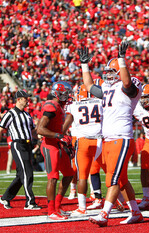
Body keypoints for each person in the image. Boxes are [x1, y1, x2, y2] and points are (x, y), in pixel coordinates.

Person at [78, 41, 143, 226]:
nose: (107, 75)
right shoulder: (107, 88)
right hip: (107, 139)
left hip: (121, 138)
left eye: (111, 72)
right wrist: (85, 65)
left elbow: (128, 83)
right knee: (121, 179)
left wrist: (122, 60)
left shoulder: (129, 86)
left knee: (113, 177)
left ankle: (104, 215)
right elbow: (89, 86)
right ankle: (136, 212)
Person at [0, 90, 41, 210]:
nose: (27, 100)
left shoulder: (27, 114)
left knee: (21, 175)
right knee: (27, 173)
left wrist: (41, 136)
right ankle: (30, 202)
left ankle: (5, 197)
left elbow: (33, 131)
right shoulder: (11, 113)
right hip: (18, 144)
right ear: (19, 99)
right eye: (25, 98)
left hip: (28, 145)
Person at [62, 84, 105, 215]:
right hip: (100, 140)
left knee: (82, 176)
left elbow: (66, 122)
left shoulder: (73, 106)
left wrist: (59, 134)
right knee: (111, 173)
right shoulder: (101, 102)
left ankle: (82, 207)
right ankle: (119, 200)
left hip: (83, 141)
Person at [36, 81, 75, 220]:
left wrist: (63, 139)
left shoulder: (59, 106)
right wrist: (59, 136)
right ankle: (51, 210)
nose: (68, 96)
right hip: (49, 145)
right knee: (53, 178)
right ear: (58, 93)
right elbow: (40, 129)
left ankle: (57, 206)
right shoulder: (51, 105)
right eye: (65, 93)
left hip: (58, 144)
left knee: (69, 174)